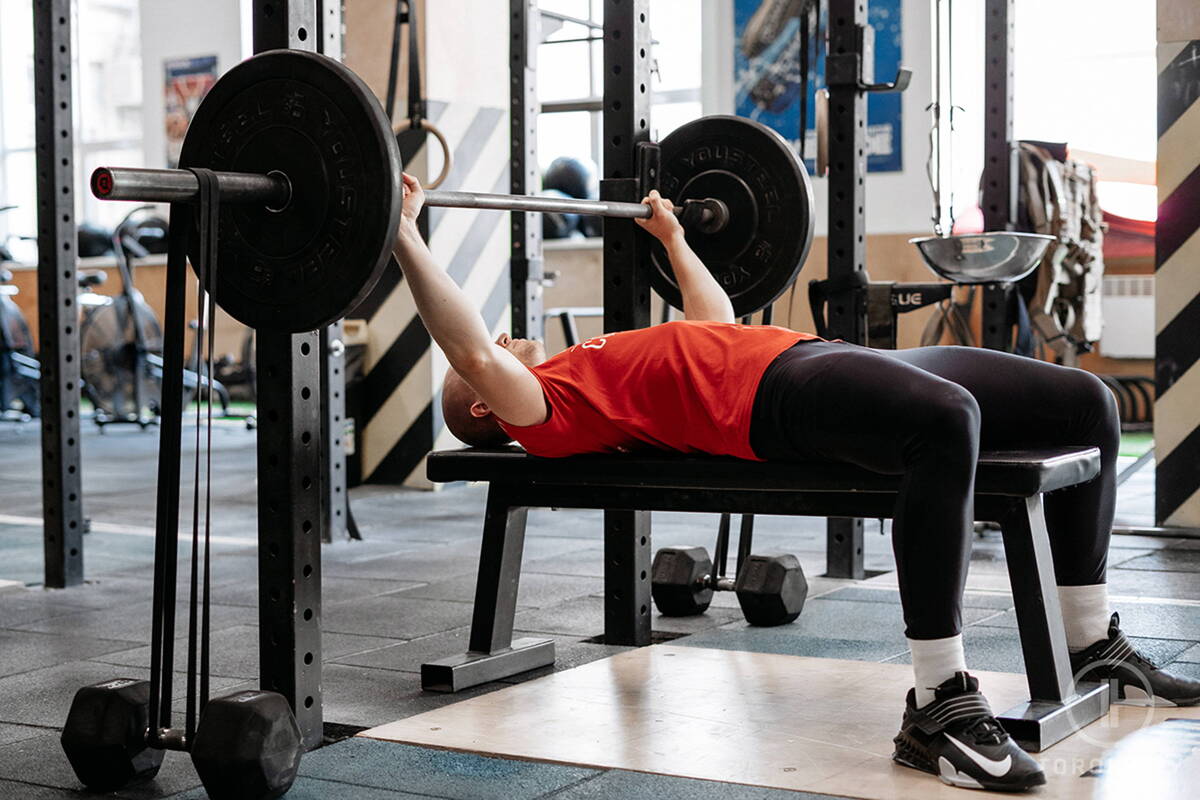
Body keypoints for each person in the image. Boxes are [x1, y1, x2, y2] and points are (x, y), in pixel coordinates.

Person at [392, 173, 1200, 792]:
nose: (502, 336)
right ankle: (939, 704)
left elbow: (709, 324)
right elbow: (470, 353)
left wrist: (674, 239)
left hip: (812, 354)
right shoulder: (549, 411)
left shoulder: (592, 357)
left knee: (1087, 401)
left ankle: (1090, 645)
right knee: (945, 421)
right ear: (490, 412)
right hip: (771, 403)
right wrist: (403, 235)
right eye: (491, 362)